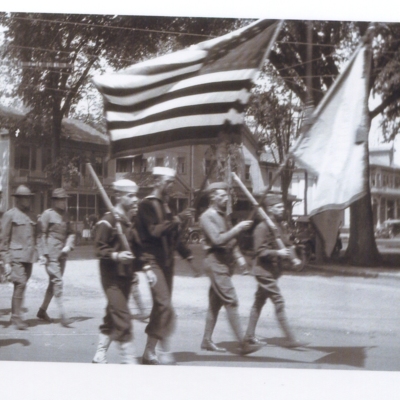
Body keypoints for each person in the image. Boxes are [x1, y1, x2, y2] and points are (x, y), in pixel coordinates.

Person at [92, 179, 156, 364]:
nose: (136, 199)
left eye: (136, 195)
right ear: (118, 196)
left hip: (127, 277)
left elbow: (138, 248)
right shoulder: (108, 221)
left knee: (113, 314)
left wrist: (147, 268)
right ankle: (129, 361)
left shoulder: (130, 221)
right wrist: (116, 255)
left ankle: (99, 353)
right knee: (123, 318)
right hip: (111, 279)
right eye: (130, 195)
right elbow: (98, 249)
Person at [136, 166, 193, 365]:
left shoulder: (168, 206)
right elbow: (153, 231)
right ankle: (163, 350)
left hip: (167, 263)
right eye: (168, 182)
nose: (171, 186)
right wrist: (177, 219)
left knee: (160, 307)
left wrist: (188, 255)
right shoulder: (146, 205)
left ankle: (149, 352)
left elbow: (173, 237)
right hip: (151, 261)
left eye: (171, 182)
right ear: (158, 181)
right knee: (164, 305)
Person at [199, 182, 262, 355]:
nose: (226, 198)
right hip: (214, 261)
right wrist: (238, 228)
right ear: (213, 197)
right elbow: (218, 240)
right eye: (222, 195)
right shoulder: (206, 217)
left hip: (224, 262)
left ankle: (206, 340)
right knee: (231, 301)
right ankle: (243, 344)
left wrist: (239, 256)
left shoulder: (223, 216)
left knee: (215, 303)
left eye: (226, 195)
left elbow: (230, 241)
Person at [243, 193, 307, 348]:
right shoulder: (262, 227)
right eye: (278, 207)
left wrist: (294, 257)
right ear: (270, 209)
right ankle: (291, 339)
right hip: (263, 271)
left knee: (259, 302)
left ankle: (248, 336)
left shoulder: (277, 226)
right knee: (279, 302)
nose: (282, 209)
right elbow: (259, 251)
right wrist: (278, 253)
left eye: (282, 206)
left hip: (272, 271)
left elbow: (286, 244)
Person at [0, 185, 41, 330]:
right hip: (15, 256)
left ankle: (14, 315)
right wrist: (5, 261)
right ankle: (17, 318)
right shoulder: (10, 215)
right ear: (18, 199)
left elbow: (38, 235)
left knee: (20, 286)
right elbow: (3, 240)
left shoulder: (33, 216)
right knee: (21, 283)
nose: (28, 200)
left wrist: (39, 253)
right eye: (25, 197)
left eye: (29, 197)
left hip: (29, 257)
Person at [37, 188, 75, 327]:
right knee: (57, 281)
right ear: (55, 201)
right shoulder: (47, 215)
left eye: (65, 199)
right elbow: (40, 235)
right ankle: (63, 315)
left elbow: (71, 232)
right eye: (62, 199)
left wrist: (68, 246)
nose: (65, 202)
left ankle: (42, 311)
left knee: (53, 283)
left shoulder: (66, 215)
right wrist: (42, 254)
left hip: (62, 254)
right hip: (50, 254)